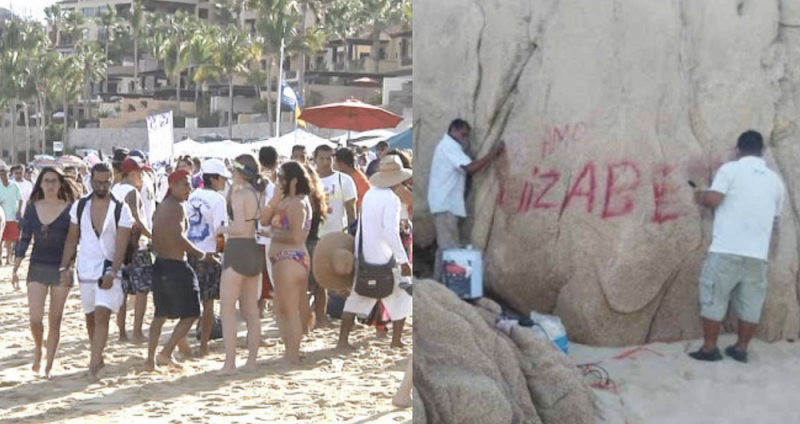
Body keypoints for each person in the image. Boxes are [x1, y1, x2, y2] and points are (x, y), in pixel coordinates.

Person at [689, 130, 785, 363]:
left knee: (714, 298)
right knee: (751, 303)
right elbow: (775, 217)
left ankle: (710, 349)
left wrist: (700, 195)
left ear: (738, 149)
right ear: (761, 151)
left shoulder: (730, 169)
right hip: (757, 256)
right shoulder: (775, 181)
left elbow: (713, 200)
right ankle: (741, 349)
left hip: (726, 250)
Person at [59, 162, 134, 382]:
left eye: (106, 182)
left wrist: (114, 271)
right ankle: (97, 354)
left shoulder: (121, 208)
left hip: (110, 268)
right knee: (90, 317)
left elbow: (122, 244)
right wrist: (65, 266)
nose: (102, 186)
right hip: (86, 268)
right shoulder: (79, 206)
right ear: (91, 180)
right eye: (98, 182)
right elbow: (72, 238)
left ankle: (93, 366)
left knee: (103, 314)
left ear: (112, 180)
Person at [338, 155, 413, 350]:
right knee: (401, 297)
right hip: (385, 257)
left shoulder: (371, 194)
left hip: (365, 254)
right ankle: (396, 340)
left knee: (356, 298)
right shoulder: (391, 199)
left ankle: (343, 340)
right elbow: (390, 231)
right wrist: (403, 260)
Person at [13, 167, 78, 378]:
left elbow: (75, 241)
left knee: (55, 319)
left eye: (54, 181)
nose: (50, 185)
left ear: (60, 184)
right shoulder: (32, 208)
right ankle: (38, 349)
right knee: (35, 319)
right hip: (37, 266)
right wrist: (16, 266)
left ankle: (49, 364)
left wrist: (70, 266)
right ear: (40, 184)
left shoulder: (71, 209)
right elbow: (24, 238)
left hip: (62, 267)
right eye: (46, 181)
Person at [146, 170, 211, 371]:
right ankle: (166, 352)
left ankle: (150, 360)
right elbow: (178, 237)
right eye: (185, 184)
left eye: (189, 184)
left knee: (160, 314)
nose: (189, 188)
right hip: (176, 265)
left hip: (161, 264)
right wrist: (201, 255)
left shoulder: (163, 207)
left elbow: (157, 237)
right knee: (192, 312)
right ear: (172, 186)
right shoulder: (176, 207)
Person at [428, 119, 505, 281]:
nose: (465, 139)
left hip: (444, 204)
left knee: (443, 248)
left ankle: (436, 285)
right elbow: (469, 168)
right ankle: (452, 289)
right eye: (463, 135)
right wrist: (493, 154)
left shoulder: (446, 146)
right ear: (454, 130)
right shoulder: (449, 146)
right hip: (446, 205)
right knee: (450, 250)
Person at [261, 161, 313, 364]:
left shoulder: (298, 204)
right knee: (281, 308)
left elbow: (296, 236)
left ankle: (292, 353)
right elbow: (264, 219)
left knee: (289, 309)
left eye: (282, 177)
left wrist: (272, 234)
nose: (278, 181)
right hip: (283, 259)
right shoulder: (285, 201)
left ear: (293, 180)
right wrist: (273, 200)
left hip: (291, 258)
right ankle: (290, 350)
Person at [216, 154, 264, 374]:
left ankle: (230, 363)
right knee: (251, 311)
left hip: (238, 250)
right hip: (254, 250)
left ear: (240, 172)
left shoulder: (240, 195)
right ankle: (252, 361)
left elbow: (240, 229)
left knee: (227, 310)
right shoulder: (258, 194)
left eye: (233, 171)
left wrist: (222, 230)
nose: (230, 175)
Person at [187, 159, 230, 357]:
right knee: (208, 305)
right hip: (209, 254)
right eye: (222, 179)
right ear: (214, 178)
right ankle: (204, 346)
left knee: (191, 301)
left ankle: (185, 344)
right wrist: (221, 253)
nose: (225, 183)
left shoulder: (193, 195)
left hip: (191, 251)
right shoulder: (218, 201)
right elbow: (220, 232)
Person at [314, 145, 357, 326]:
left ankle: (350, 317)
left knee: (344, 279)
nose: (325, 162)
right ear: (315, 159)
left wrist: (354, 232)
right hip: (315, 235)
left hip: (338, 235)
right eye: (321, 158)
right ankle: (321, 318)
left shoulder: (343, 180)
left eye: (328, 158)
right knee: (319, 280)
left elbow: (351, 209)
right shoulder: (310, 179)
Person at [112, 157, 154, 344]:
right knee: (142, 290)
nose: (142, 178)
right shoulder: (132, 192)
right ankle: (137, 331)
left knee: (122, 290)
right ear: (133, 174)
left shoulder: (114, 190)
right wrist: (152, 236)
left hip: (118, 246)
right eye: (140, 174)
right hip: (137, 245)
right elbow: (136, 218)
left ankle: (122, 332)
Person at [303, 164, 328, 329]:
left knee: (303, 286)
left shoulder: (302, 198)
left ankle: (305, 322)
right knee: (320, 286)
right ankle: (321, 319)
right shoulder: (318, 197)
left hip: (304, 244)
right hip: (317, 243)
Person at [257, 147, 278, 316]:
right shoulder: (272, 187)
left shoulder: (245, 186)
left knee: (258, 284)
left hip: (253, 238)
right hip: (268, 238)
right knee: (272, 283)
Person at [0, 161, 23, 266]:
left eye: (5, 174)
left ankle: (8, 258)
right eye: (1, 174)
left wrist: (19, 211)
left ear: (9, 174)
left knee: (9, 240)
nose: (3, 176)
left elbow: (20, 199)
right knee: (1, 239)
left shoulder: (14, 186)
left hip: (11, 215)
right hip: (1, 215)